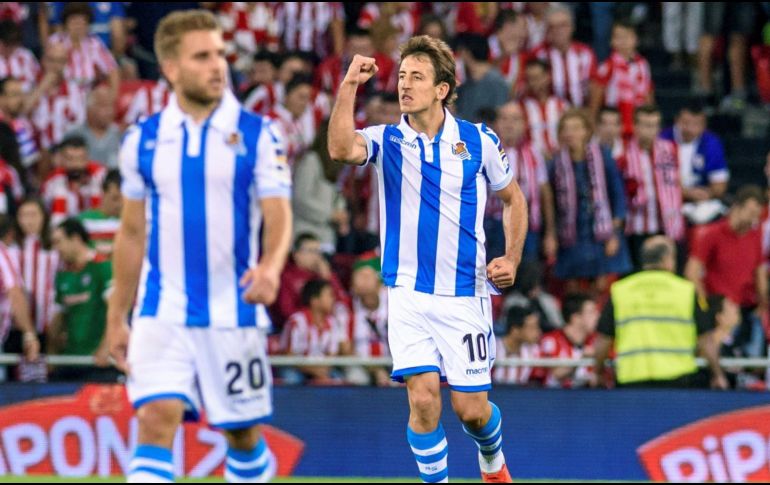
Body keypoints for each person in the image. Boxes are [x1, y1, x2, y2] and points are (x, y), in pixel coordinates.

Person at [328, 34, 527, 483]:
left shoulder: (478, 140)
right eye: (401, 75)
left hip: (465, 292)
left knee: (472, 411)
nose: (405, 84)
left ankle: (492, 461)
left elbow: (514, 199)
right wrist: (348, 86)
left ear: (442, 89)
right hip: (408, 293)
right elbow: (341, 150)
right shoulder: (387, 140)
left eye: (417, 77)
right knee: (422, 400)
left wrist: (511, 258)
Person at [106, 11, 292, 483]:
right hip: (160, 309)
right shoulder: (142, 140)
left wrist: (271, 267)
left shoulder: (258, 132)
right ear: (170, 67)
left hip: (233, 311)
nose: (218, 66)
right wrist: (116, 316)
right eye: (203, 56)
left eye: (220, 54)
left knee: (242, 435)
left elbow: (278, 213)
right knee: (154, 419)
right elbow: (130, 233)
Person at [595, 236, 728, 389]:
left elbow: (603, 340)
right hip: (677, 381)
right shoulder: (686, 291)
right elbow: (705, 340)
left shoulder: (620, 291)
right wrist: (718, 374)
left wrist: (597, 372)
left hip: (631, 382)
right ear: (667, 259)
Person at [551, 109, 631, 293]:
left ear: (587, 131)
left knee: (603, 288)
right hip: (572, 234)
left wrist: (614, 234)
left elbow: (618, 196)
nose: (571, 133)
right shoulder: (556, 163)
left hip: (602, 233)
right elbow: (553, 205)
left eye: (576, 128)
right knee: (574, 290)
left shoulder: (603, 157)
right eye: (566, 129)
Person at [685, 186, 768, 358]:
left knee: (753, 352)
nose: (752, 220)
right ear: (737, 207)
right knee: (717, 348)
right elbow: (692, 272)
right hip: (719, 308)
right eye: (750, 212)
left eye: (756, 216)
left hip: (746, 308)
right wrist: (706, 307)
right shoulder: (712, 234)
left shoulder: (754, 237)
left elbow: (759, 273)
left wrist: (763, 305)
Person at [618, 105, 684, 269]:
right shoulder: (623, 154)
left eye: (655, 125)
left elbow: (677, 182)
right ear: (635, 127)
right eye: (646, 125)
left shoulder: (670, 149)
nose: (651, 130)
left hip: (668, 224)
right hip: (638, 226)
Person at [491, 101, 556, 263]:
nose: (509, 125)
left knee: (527, 276)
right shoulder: (486, 150)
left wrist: (550, 233)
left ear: (524, 124)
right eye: (504, 119)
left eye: (515, 119)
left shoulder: (534, 152)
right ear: (496, 123)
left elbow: (545, 194)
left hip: (527, 225)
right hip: (493, 225)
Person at [48, 218, 112, 378]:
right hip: (70, 360)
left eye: (59, 242)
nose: (56, 248)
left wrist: (106, 347)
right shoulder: (63, 275)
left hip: (98, 362)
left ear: (75, 239)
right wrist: (51, 353)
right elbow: (58, 318)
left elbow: (116, 309)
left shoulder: (102, 267)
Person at [660, 101, 729, 225]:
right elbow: (659, 181)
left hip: (700, 202)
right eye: (685, 123)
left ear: (704, 125)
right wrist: (686, 193)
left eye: (696, 124)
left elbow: (720, 185)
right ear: (677, 121)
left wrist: (708, 193)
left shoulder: (712, 143)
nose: (690, 129)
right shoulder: (662, 140)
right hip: (668, 200)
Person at [589, 21, 654, 137]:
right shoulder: (607, 66)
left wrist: (649, 120)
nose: (623, 41)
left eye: (628, 36)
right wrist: (593, 123)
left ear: (636, 40)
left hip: (637, 124)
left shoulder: (643, 65)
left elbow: (648, 93)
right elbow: (596, 96)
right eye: (618, 37)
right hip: (613, 125)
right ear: (611, 41)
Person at [279, 279, 350, 384]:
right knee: (291, 379)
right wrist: (315, 372)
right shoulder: (297, 322)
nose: (333, 299)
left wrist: (323, 372)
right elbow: (290, 356)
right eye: (329, 295)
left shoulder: (332, 323)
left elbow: (332, 354)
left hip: (322, 369)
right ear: (315, 301)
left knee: (339, 380)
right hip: (297, 369)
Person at [40, 135, 106, 226]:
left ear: (87, 158)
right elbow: (53, 215)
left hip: (97, 227)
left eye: (80, 159)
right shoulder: (52, 181)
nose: (76, 164)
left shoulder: (100, 175)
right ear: (61, 159)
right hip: (66, 230)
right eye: (70, 159)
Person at [539, 294, 598, 389]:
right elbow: (556, 375)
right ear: (575, 318)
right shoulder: (551, 340)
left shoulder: (597, 341)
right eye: (591, 312)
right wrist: (582, 359)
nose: (597, 316)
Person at [519, 59, 569, 161]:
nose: (534, 83)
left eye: (537, 78)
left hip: (560, 158)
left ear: (547, 77)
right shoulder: (520, 108)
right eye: (530, 79)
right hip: (532, 159)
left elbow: (569, 132)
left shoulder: (563, 105)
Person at [64, 84, 122, 168]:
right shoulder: (74, 134)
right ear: (89, 109)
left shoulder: (120, 135)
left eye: (111, 106)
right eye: (104, 106)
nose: (109, 111)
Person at [493, 304, 542, 386]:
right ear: (515, 330)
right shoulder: (492, 349)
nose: (538, 332)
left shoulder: (534, 351)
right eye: (532, 327)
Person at [77, 169, 121, 258]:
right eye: (115, 198)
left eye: (124, 200)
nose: (119, 204)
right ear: (103, 192)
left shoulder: (131, 222)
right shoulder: (83, 221)